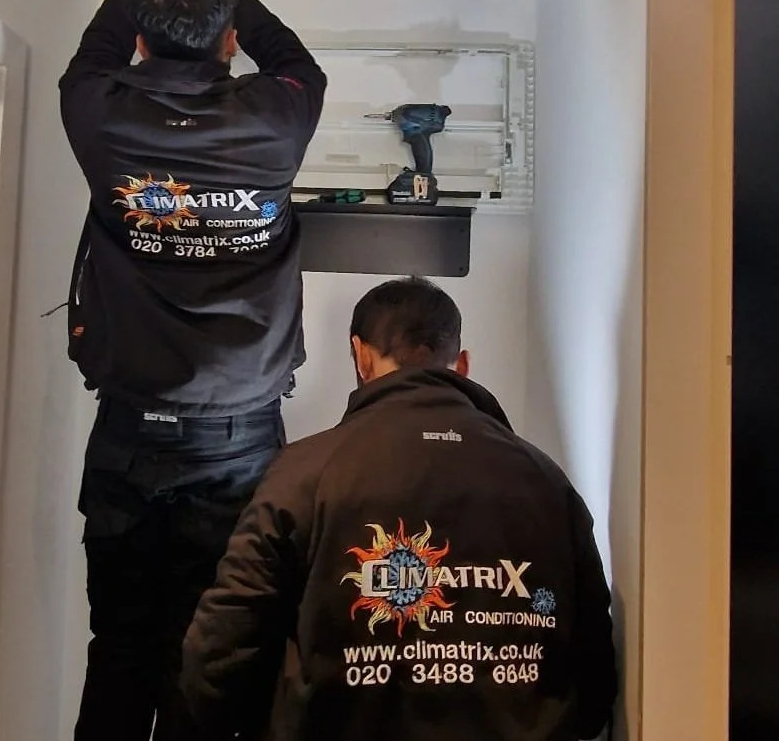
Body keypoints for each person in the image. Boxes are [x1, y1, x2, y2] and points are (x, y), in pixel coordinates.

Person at [58, 0, 326, 741]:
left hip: (129, 434)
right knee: (207, 666)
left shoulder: (99, 114)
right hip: (239, 444)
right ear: (229, 39)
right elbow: (296, 61)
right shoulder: (278, 119)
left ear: (141, 41)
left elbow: (94, 53)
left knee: (118, 652)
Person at [182, 276, 617, 741]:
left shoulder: (304, 475)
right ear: (462, 366)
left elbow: (220, 653)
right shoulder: (546, 481)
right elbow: (594, 672)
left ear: (361, 356)